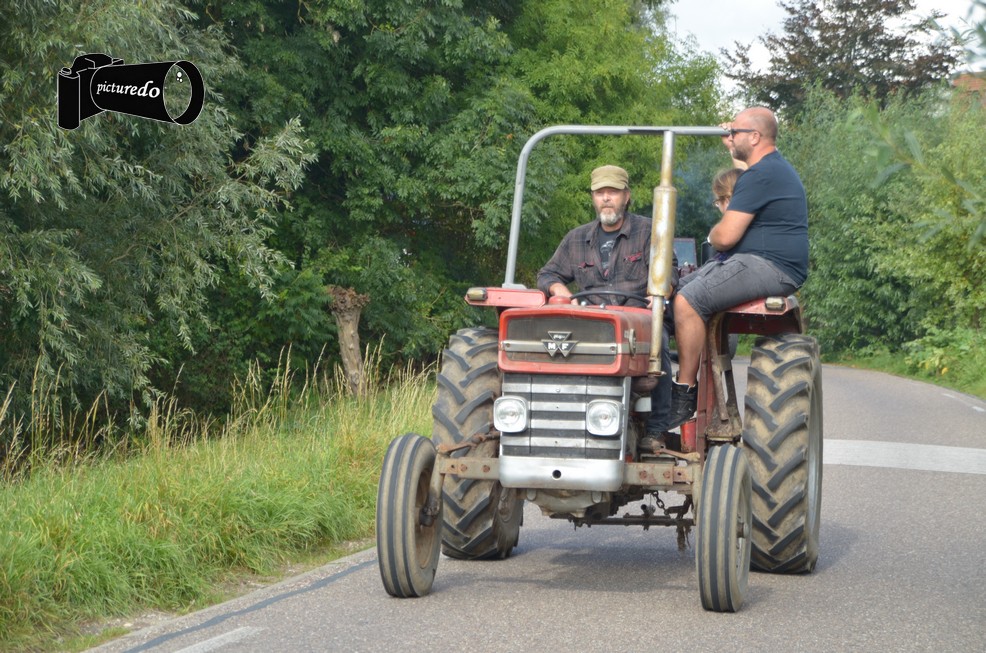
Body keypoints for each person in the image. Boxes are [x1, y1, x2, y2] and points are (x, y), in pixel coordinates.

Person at [667, 107, 809, 429]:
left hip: (768, 265)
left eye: (736, 132)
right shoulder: (768, 170)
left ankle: (684, 392)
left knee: (688, 301)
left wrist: (714, 234)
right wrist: (733, 147)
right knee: (675, 292)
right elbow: (744, 174)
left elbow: (725, 238)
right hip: (765, 262)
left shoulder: (762, 175)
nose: (730, 135)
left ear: (755, 137)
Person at [537, 165, 678, 452]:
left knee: (659, 343)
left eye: (612, 192)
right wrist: (560, 291)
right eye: (600, 193)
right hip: (592, 323)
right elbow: (547, 274)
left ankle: (657, 427)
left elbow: (669, 271)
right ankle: (563, 420)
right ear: (593, 198)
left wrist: (660, 291)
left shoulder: (649, 231)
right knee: (556, 346)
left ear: (626, 196)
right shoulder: (576, 238)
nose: (606, 198)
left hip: (638, 320)